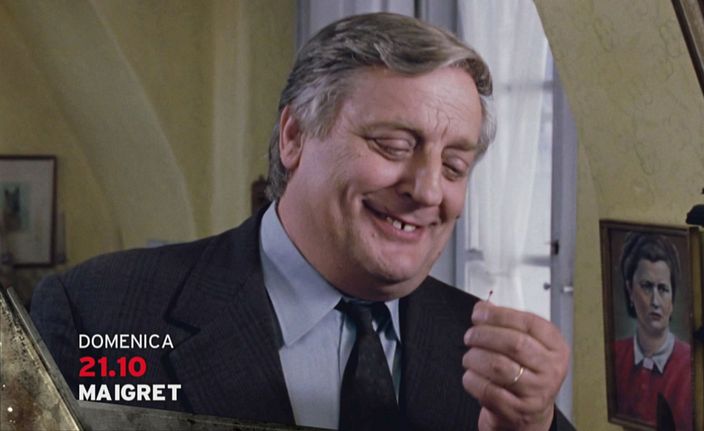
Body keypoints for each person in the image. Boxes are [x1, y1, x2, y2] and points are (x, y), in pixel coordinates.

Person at [30, 12, 571, 431]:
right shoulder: (96, 313)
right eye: (393, 144)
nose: (428, 190)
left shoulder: (484, 351)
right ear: (294, 136)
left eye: (454, 166)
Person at [612, 233, 692, 430]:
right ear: (630, 290)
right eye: (646, 287)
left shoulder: (690, 365)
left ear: (672, 299)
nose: (655, 301)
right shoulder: (615, 354)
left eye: (663, 289)